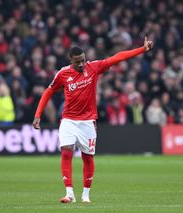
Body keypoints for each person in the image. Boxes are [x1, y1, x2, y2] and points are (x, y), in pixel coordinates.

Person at [32, 37, 153, 203]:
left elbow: (117, 57)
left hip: (88, 122)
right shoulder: (62, 73)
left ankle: (86, 195)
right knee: (66, 151)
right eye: (77, 62)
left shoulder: (93, 67)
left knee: (87, 158)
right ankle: (69, 193)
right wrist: (38, 114)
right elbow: (48, 92)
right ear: (71, 61)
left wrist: (142, 49)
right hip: (68, 120)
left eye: (83, 60)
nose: (81, 64)